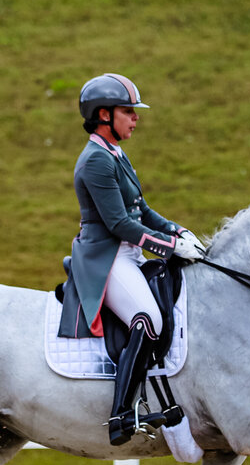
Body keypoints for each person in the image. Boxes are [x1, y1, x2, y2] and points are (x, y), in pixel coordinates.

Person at [65, 73, 206, 446]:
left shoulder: (115, 153)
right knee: (148, 318)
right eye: (128, 111)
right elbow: (120, 224)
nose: (136, 117)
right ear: (104, 115)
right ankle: (122, 414)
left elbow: (142, 210)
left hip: (127, 252)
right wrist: (168, 246)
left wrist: (178, 231)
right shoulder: (95, 160)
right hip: (106, 258)